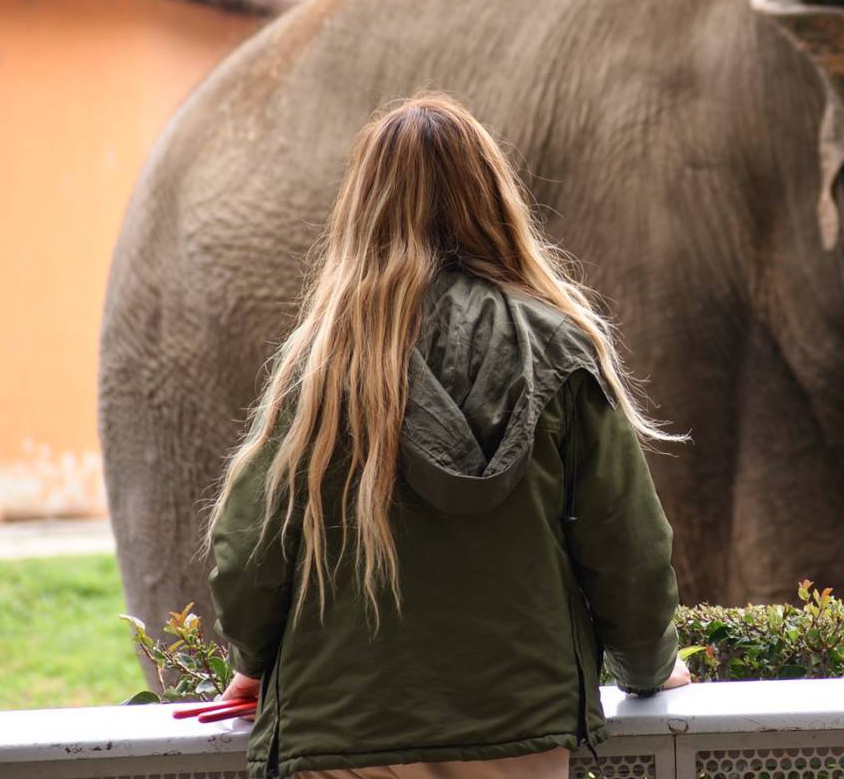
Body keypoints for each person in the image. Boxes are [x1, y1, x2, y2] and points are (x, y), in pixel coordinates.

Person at [207, 93, 690, 779]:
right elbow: (626, 542)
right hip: (520, 730)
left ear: (363, 209)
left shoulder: (322, 365)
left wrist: (253, 662)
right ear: (493, 197)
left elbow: (250, 550)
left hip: (343, 728)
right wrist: (649, 666)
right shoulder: (559, 349)